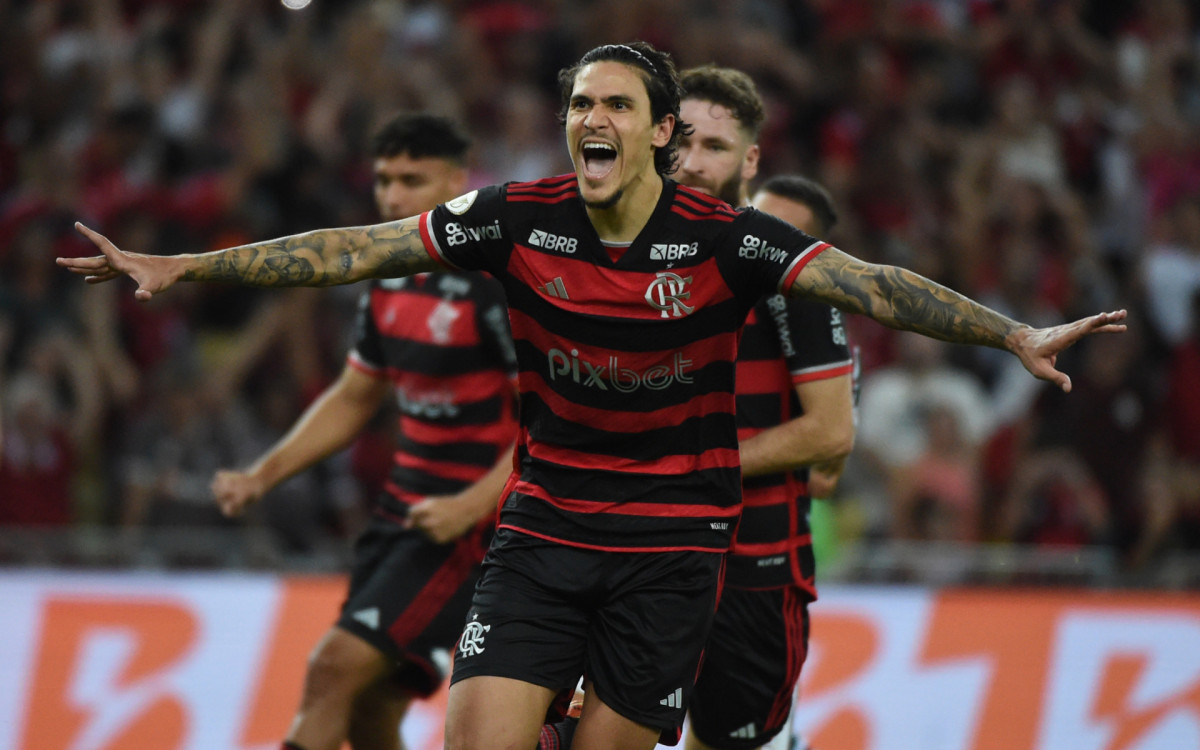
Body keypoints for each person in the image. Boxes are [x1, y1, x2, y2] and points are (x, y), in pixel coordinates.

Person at [61, 41, 1127, 750]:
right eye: (580, 104)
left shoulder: (729, 239)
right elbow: (358, 250)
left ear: (660, 133)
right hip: (544, 527)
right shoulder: (517, 217)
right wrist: (187, 266)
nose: (591, 119)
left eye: (616, 104)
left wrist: (1012, 333)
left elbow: (876, 286)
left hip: (672, 548)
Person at [208, 113, 520, 750]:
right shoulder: (387, 281)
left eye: (412, 180)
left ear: (456, 182)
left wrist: (471, 505)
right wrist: (262, 475)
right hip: (402, 514)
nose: (393, 197)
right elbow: (353, 397)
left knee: (333, 667)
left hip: (467, 526)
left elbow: (549, 419)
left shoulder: (493, 286)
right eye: (384, 180)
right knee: (371, 709)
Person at [675, 64, 855, 750]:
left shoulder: (789, 269)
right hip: (641, 558)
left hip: (753, 571)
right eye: (683, 142)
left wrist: (697, 464)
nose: (693, 162)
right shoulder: (627, 255)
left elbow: (830, 441)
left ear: (750, 160)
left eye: (715, 146)